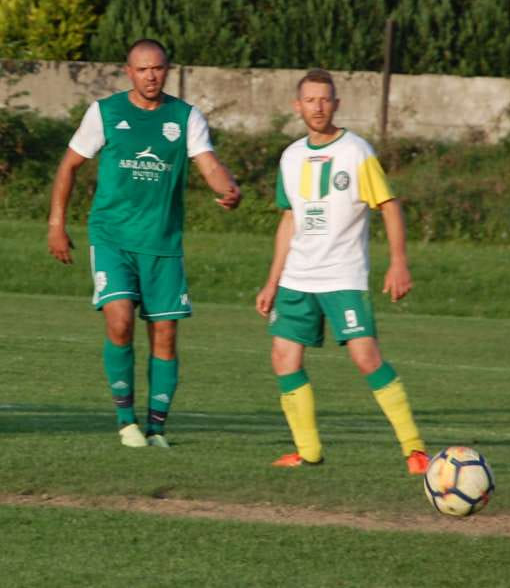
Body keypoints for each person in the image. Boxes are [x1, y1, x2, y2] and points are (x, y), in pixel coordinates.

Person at [47, 38, 241, 449]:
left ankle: (157, 428)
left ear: (167, 70)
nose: (151, 76)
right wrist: (56, 224)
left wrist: (228, 189)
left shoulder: (185, 117)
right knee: (119, 320)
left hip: (162, 244)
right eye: (142, 69)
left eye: (158, 68)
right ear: (128, 72)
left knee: (165, 334)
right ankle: (125, 422)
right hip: (112, 237)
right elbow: (69, 166)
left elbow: (208, 164)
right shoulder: (105, 112)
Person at [255, 68, 429, 475]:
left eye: (324, 99)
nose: (317, 107)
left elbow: (389, 205)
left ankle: (414, 449)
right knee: (283, 357)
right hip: (298, 276)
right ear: (297, 106)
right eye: (310, 100)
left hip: (342, 276)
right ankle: (308, 451)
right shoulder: (291, 156)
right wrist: (272, 280)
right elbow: (288, 220)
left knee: (366, 357)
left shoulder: (356, 151)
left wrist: (398, 261)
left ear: (336, 104)